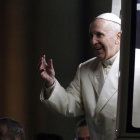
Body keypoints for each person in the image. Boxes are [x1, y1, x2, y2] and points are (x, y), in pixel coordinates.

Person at [39, 13, 121, 140]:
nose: (93, 41)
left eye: (99, 35)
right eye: (91, 36)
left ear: (118, 37)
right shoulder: (85, 69)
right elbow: (69, 105)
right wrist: (51, 83)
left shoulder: (136, 63)